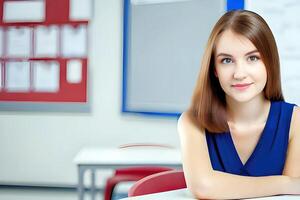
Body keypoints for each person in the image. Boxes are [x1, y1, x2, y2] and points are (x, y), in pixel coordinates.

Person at [178, 10, 300, 199]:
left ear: (269, 63)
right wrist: (284, 182)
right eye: (227, 60)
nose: (239, 73)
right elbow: (203, 187)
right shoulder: (192, 121)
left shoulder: (295, 120)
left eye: (252, 58)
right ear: (215, 69)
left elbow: (292, 196)